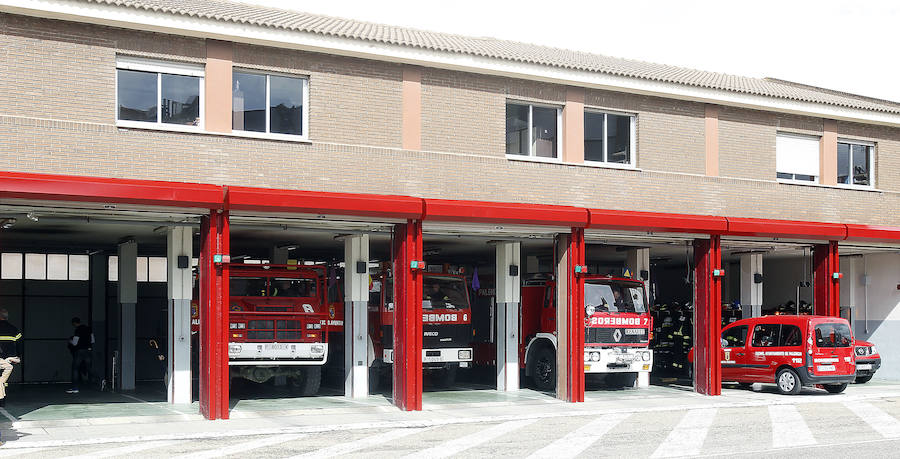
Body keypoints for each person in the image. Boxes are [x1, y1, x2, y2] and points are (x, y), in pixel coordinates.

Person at [0, 309, 22, 407]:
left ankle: (1, 399)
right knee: (4, 380)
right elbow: (19, 344)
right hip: (9, 358)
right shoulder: (14, 329)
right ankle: (3, 400)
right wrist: (18, 356)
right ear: (7, 317)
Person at [66, 317, 94, 394]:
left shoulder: (78, 330)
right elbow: (92, 340)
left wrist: (70, 341)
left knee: (75, 368)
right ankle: (100, 379)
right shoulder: (89, 329)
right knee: (89, 368)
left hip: (80, 351)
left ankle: (75, 388)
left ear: (74, 323)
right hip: (88, 350)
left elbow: (75, 343)